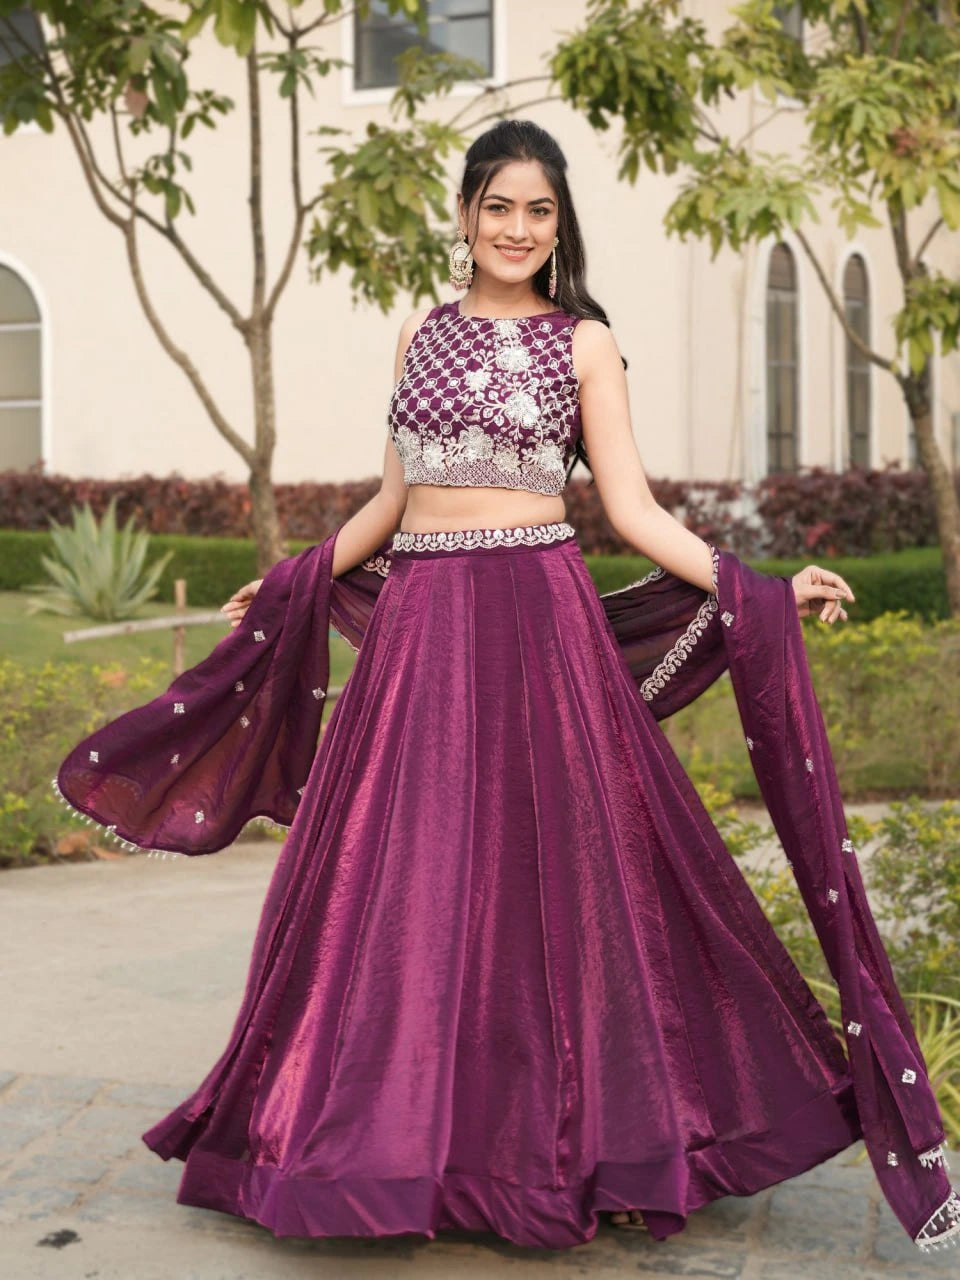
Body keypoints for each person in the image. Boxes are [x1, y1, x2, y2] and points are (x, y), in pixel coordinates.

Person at [53, 120, 957, 1253]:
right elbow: (390, 507)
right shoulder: (417, 335)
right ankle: (376, 1145)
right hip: (420, 635)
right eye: (498, 206)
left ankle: (579, 1143)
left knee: (568, 889)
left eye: (540, 210)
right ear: (467, 212)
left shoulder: (584, 344)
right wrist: (290, 586)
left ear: (558, 222)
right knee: (395, 890)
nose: (518, 228)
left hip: (539, 627)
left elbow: (631, 511)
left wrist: (754, 584)